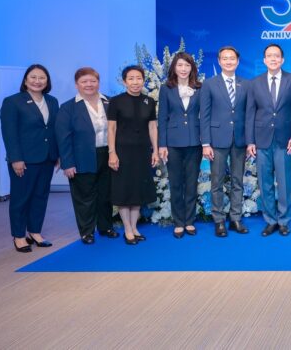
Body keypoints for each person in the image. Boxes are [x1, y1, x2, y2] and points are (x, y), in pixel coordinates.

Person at [55, 67, 119, 244]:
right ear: (77, 85)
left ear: (98, 82)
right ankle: (87, 231)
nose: (89, 84)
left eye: (93, 81)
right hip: (81, 157)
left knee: (106, 194)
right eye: (84, 81)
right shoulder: (68, 107)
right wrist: (67, 163)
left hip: (108, 154)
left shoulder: (110, 102)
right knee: (84, 196)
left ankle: (106, 227)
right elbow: (63, 138)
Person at [0, 64, 59, 253]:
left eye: (42, 77)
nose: (37, 81)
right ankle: (19, 236)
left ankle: (35, 232)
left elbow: (54, 129)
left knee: (40, 196)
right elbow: (9, 133)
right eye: (33, 77)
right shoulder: (13, 102)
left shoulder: (52, 101)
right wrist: (15, 158)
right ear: (25, 80)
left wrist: (57, 154)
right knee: (21, 198)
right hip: (24, 160)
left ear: (47, 81)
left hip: (47, 157)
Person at [246, 44, 291, 237]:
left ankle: (284, 220)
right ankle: (270, 220)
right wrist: (250, 141)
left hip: (285, 140)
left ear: (282, 60)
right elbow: (250, 113)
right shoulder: (254, 83)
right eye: (269, 56)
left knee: (284, 182)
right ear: (264, 60)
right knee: (265, 182)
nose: (273, 59)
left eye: (276, 56)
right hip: (261, 140)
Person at [107, 65, 159, 245]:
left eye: (138, 78)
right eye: (131, 78)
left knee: (137, 190)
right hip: (122, 151)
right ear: (124, 81)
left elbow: (152, 127)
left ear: (143, 80)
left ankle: (134, 227)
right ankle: (127, 229)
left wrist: (155, 150)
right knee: (124, 190)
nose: (135, 82)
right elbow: (111, 128)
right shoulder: (116, 101)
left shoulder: (149, 101)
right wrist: (112, 152)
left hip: (142, 151)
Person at [201, 46, 249, 237]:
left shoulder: (246, 84)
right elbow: (204, 115)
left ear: (238, 61)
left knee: (238, 181)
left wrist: (250, 140)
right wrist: (206, 143)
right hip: (217, 140)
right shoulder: (209, 84)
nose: (229, 61)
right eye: (225, 58)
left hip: (240, 140)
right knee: (217, 182)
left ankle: (236, 218)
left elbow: (249, 114)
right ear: (219, 61)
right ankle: (219, 220)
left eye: (232, 58)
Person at [158, 52, 203, 239]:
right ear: (174, 68)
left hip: (195, 142)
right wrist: (162, 144)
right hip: (173, 143)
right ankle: (178, 222)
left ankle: (189, 220)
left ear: (192, 68)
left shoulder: (200, 87)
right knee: (176, 183)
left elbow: (205, 115)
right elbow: (162, 118)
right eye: (180, 65)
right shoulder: (166, 89)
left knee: (191, 183)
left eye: (187, 65)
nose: (183, 69)